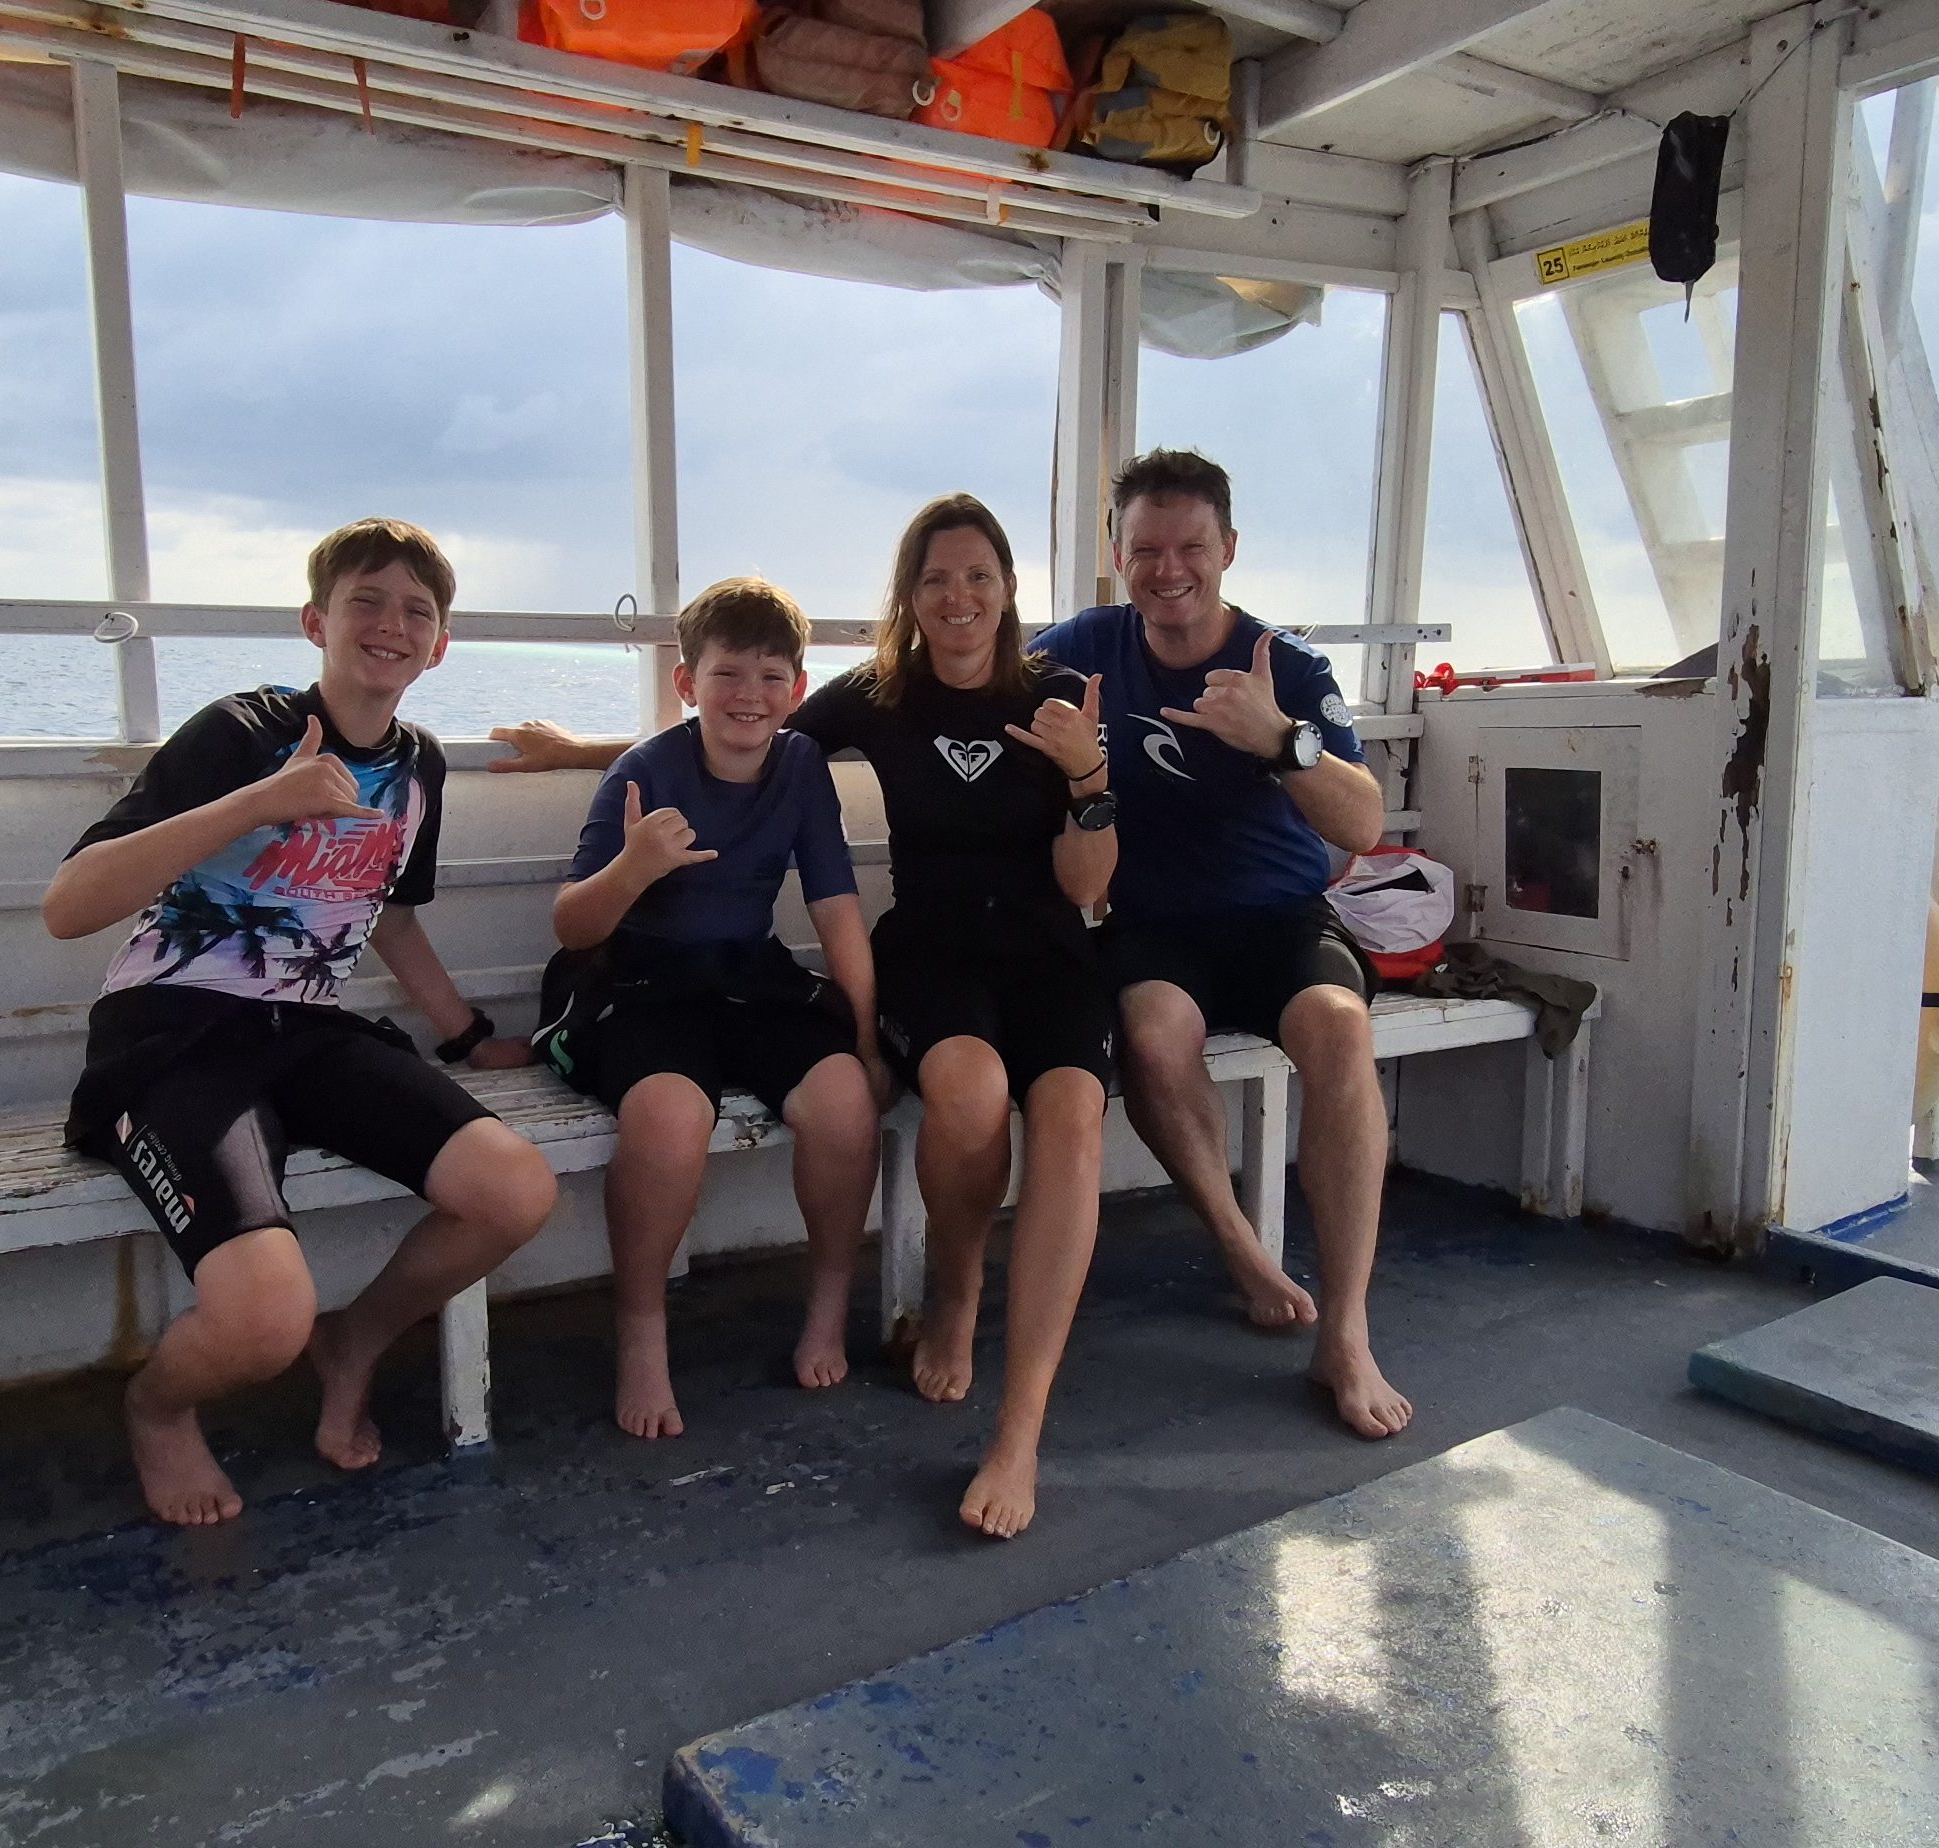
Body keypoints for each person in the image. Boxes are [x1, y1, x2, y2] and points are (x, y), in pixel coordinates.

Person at [495, 496, 1117, 1539]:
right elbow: (724, 731)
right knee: (947, 1092)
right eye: (934, 580)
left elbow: (1077, 888)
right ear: (908, 599)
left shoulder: (1057, 699)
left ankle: (1003, 1416)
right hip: (827, 968)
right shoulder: (873, 696)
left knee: (1050, 1113)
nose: (957, 597)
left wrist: (1088, 773)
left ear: (1009, 589)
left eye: (977, 576)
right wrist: (585, 763)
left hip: (1035, 951)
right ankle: (922, 1293)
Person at [43, 517, 558, 1527]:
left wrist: (461, 1035)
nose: (390, 624)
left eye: (418, 610)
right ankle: (156, 1409)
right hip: (172, 1037)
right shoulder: (243, 733)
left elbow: (391, 913)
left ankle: (355, 1343)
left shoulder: (417, 766)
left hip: (303, 1033)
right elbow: (69, 904)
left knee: (514, 1191)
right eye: (366, 600)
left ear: (440, 644)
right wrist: (257, 803)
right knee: (263, 1318)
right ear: (316, 620)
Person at [1030, 448, 1410, 1440]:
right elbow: (943, 689)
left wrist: (1277, 737)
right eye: (1145, 548)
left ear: (1227, 548)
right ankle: (1241, 1245)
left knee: (1337, 1027)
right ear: (1116, 554)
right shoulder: (1080, 648)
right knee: (1152, 1032)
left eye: (1189, 546)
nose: (1168, 569)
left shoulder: (1285, 666)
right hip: (1153, 928)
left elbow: (1364, 824)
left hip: (1279, 919)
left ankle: (1350, 1331)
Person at [544, 577, 884, 1440]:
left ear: (798, 692)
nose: (751, 695)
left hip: (747, 976)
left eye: (774, 677)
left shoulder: (802, 764)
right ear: (687, 683)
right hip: (640, 980)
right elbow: (574, 924)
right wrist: (634, 868)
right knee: (668, 1118)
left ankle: (828, 1308)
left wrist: (866, 1034)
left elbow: (835, 904)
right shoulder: (644, 771)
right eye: (729, 674)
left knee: (845, 1102)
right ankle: (642, 1331)